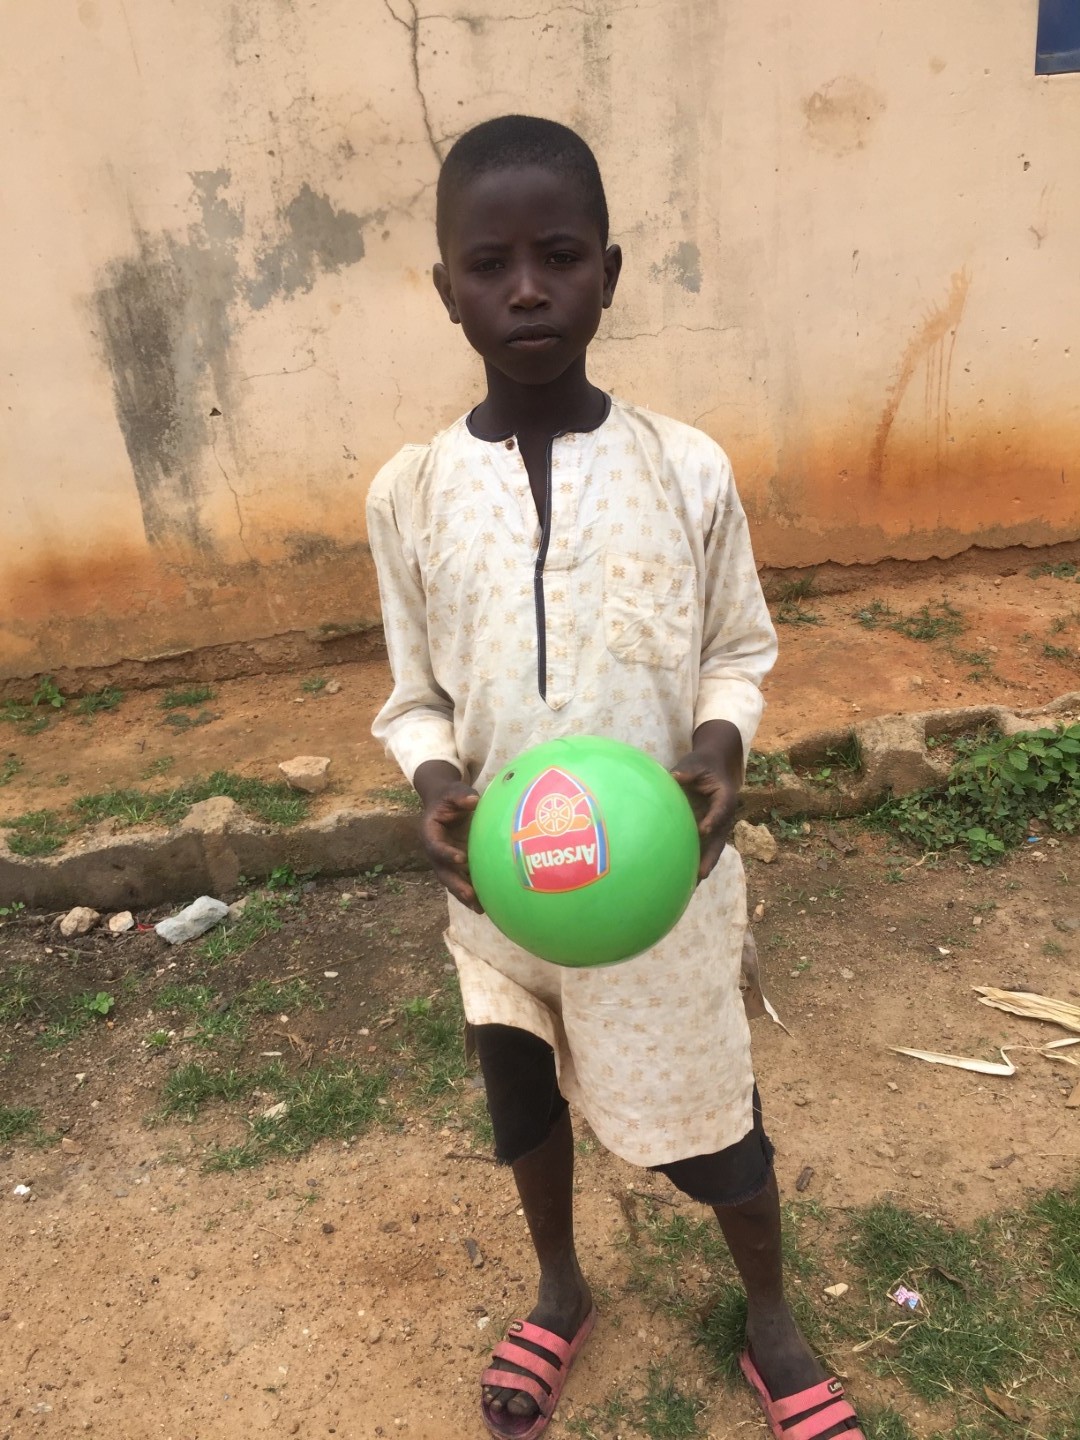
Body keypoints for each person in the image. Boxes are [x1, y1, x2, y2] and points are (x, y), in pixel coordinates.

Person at [367, 115, 865, 1440]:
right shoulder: (410, 494)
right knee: (521, 1104)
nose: (528, 289)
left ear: (611, 273)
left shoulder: (685, 468)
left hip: (658, 894)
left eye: (561, 256)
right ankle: (560, 1286)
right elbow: (415, 697)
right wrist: (434, 785)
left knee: (718, 1130)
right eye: (491, 265)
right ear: (446, 289)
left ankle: (771, 1317)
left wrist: (719, 748)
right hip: (504, 898)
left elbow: (737, 652)